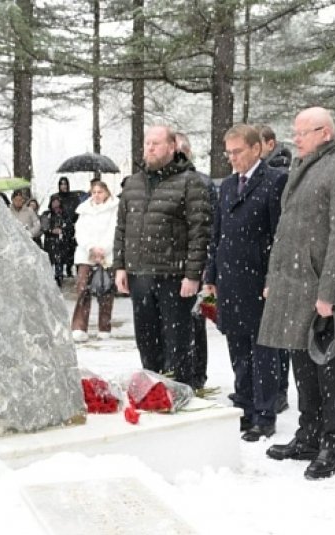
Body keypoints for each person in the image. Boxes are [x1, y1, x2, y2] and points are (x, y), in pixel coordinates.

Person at [259, 107, 335, 480]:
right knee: (302, 365)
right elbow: (285, 231)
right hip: (292, 284)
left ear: (325, 132)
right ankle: (308, 434)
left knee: (328, 366)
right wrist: (274, 275)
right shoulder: (301, 169)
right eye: (296, 133)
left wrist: (329, 292)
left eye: (304, 132)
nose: (297, 139)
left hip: (320, 287)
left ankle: (333, 443)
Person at [203, 124, 288, 442]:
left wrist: (273, 277)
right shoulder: (226, 186)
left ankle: (264, 415)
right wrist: (211, 275)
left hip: (259, 279)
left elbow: (280, 236)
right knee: (237, 346)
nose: (232, 158)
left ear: (256, 149)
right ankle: (245, 404)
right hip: (230, 279)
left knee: (262, 350)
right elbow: (218, 234)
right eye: (229, 153)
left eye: (237, 151)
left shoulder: (275, 181)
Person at [113, 125, 212, 387]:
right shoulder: (133, 183)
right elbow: (122, 227)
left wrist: (192, 274)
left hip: (173, 275)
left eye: (156, 143)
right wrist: (120, 266)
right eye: (147, 143)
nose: (150, 148)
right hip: (140, 274)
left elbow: (199, 231)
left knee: (178, 339)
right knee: (146, 339)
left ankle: (181, 388)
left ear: (172, 147)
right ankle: (152, 387)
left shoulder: (190, 182)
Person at [176, 132, 217, 390]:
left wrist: (204, 265)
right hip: (168, 264)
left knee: (195, 319)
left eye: (182, 150)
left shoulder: (202, 183)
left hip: (194, 262)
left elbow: (209, 225)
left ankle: (197, 374)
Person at [256, 124, 292, 413]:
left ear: (270, 144)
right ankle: (273, 387)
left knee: (278, 332)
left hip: (275, 259)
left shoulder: (279, 173)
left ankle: (279, 389)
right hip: (265, 260)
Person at [70, 180, 119, 342]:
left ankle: (104, 328)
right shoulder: (84, 210)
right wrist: (91, 247)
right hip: (87, 254)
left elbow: (115, 230)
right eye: (94, 192)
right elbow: (80, 231)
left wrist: (103, 249)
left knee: (105, 291)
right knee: (82, 289)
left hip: (106, 254)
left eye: (100, 192)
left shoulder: (114, 209)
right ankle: (79, 327)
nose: (97, 195)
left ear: (106, 193)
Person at [51, 176, 82, 277]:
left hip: (72, 226)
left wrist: (73, 221)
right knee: (60, 251)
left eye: (65, 184)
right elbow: (52, 210)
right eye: (61, 184)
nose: (63, 186)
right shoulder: (55, 197)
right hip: (60, 226)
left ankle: (69, 268)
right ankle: (60, 272)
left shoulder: (73, 197)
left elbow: (78, 211)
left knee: (71, 250)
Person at [41, 196, 75, 287]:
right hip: (50, 241)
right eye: (53, 202)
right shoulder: (47, 214)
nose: (55, 204)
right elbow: (44, 227)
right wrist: (52, 230)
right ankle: (50, 278)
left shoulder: (64, 214)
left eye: (57, 202)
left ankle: (59, 277)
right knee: (50, 260)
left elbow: (69, 227)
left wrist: (62, 230)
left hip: (61, 242)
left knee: (59, 260)